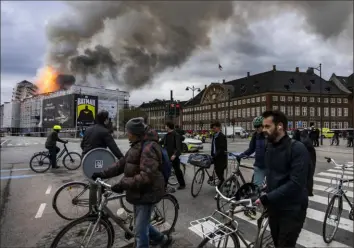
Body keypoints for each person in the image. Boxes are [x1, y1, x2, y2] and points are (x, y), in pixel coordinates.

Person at [91, 117, 172, 248]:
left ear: (135, 133)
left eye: (128, 132)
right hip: (138, 192)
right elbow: (121, 164)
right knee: (142, 224)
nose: (127, 134)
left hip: (148, 193)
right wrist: (103, 173)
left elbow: (146, 176)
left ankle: (159, 240)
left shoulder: (149, 148)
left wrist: (123, 184)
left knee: (140, 232)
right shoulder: (137, 145)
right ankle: (162, 239)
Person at [255, 110, 309, 248]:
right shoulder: (270, 146)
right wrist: (262, 190)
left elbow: (295, 184)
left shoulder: (297, 148)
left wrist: (267, 198)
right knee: (277, 242)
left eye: (267, 127)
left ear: (280, 126)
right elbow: (272, 175)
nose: (263, 130)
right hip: (275, 207)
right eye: (263, 127)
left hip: (292, 209)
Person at [81, 110, 124, 211]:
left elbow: (82, 145)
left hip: (86, 160)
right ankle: (95, 210)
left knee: (95, 182)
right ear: (105, 120)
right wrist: (123, 159)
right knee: (96, 184)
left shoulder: (88, 129)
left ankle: (95, 208)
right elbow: (114, 148)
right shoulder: (104, 131)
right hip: (98, 161)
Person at [237, 116, 267, 188]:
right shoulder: (255, 136)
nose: (256, 128)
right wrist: (242, 154)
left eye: (258, 126)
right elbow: (251, 149)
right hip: (259, 165)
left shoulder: (269, 135)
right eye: (255, 126)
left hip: (271, 166)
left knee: (273, 189)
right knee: (256, 188)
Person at [161, 121, 185, 190]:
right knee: (166, 170)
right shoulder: (166, 135)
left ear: (168, 126)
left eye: (166, 126)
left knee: (177, 170)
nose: (165, 127)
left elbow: (178, 147)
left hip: (173, 156)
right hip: (167, 156)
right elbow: (161, 142)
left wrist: (174, 155)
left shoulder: (176, 135)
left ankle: (182, 184)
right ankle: (164, 186)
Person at [293, 129, 317, 196]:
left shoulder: (303, 141)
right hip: (311, 159)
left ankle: (307, 191)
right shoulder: (306, 139)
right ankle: (309, 191)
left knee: (307, 176)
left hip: (308, 159)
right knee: (309, 176)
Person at [210, 121, 228, 189]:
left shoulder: (222, 136)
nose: (213, 129)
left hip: (221, 158)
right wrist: (212, 154)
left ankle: (221, 185)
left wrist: (215, 155)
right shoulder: (214, 136)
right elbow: (213, 146)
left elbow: (222, 148)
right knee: (218, 171)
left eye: (214, 128)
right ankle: (223, 183)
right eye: (213, 128)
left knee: (219, 171)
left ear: (219, 128)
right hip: (215, 157)